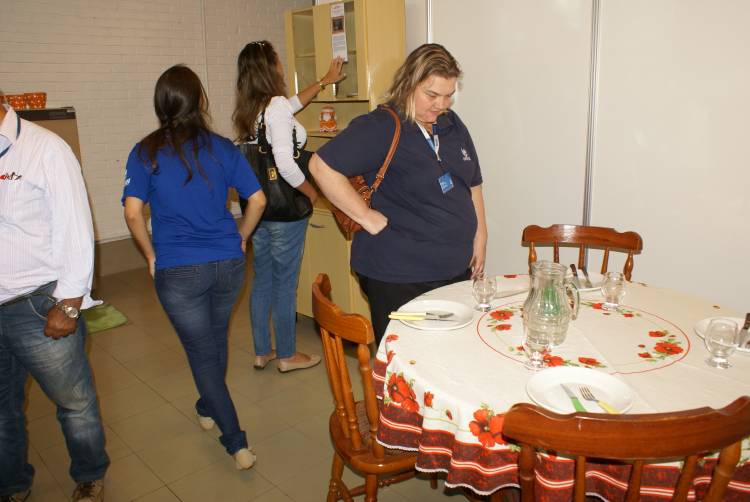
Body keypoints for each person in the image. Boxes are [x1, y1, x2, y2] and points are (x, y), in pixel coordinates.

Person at [122, 65, 266, 470]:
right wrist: (241, 236)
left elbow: (133, 213)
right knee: (215, 341)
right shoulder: (223, 148)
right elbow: (257, 200)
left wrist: (150, 255)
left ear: (161, 104)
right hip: (228, 265)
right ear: (200, 100)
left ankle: (235, 441)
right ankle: (207, 404)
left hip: (179, 271)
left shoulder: (145, 152)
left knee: (204, 353)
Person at [309, 43, 488, 345]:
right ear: (408, 84)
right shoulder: (381, 126)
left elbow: (473, 182)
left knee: (449, 354)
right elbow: (320, 166)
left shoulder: (452, 124)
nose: (441, 104)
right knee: (407, 359)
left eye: (448, 95)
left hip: (454, 269)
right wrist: (366, 216)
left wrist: (480, 234)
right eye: (432, 95)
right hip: (401, 275)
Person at [0, 97, 110, 500]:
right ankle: (12, 484)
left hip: (36, 305)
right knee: (2, 411)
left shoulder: (44, 148)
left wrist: (68, 304)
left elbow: (76, 228)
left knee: (74, 402)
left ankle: (90, 475)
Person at [233, 41, 343, 372]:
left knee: (262, 279)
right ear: (271, 67)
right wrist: (310, 192)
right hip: (285, 211)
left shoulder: (250, 110)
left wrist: (323, 81)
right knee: (284, 282)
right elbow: (284, 161)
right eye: (278, 60)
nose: (281, 64)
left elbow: (292, 104)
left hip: (259, 210)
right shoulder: (276, 107)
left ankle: (262, 351)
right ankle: (287, 355)